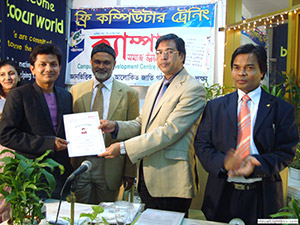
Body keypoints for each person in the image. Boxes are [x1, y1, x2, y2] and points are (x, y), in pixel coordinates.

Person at [99, 33, 206, 217]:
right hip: (146, 176)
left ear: (182, 56)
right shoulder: (155, 87)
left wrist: (123, 147)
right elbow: (142, 123)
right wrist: (116, 127)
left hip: (172, 180)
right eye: (159, 52)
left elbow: (170, 132)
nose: (163, 56)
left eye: (169, 51)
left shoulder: (193, 88)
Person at [194, 44, 299, 224]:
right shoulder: (215, 107)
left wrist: (256, 165)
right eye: (237, 67)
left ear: (262, 72)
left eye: (249, 68)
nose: (241, 73)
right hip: (221, 194)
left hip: (264, 196)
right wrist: (223, 163)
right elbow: (202, 144)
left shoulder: (281, 109)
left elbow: (286, 152)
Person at [0, 44, 74, 199]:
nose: (48, 69)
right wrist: (48, 143)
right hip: (31, 175)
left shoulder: (66, 96)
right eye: (43, 64)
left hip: (60, 174)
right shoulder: (18, 95)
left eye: (53, 64)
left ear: (60, 68)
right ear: (33, 69)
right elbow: (6, 135)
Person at [70, 43, 139, 204]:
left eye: (106, 62)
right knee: (81, 214)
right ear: (91, 63)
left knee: (107, 216)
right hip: (82, 163)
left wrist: (130, 172)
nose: (101, 66)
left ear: (114, 64)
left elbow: (133, 133)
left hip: (111, 165)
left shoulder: (130, 94)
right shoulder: (76, 91)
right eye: (97, 62)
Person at [0, 59, 21, 223]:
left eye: (11, 73)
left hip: (19, 153)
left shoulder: (26, 98)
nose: (7, 77)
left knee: (15, 193)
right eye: (2, 74)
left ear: (19, 77)